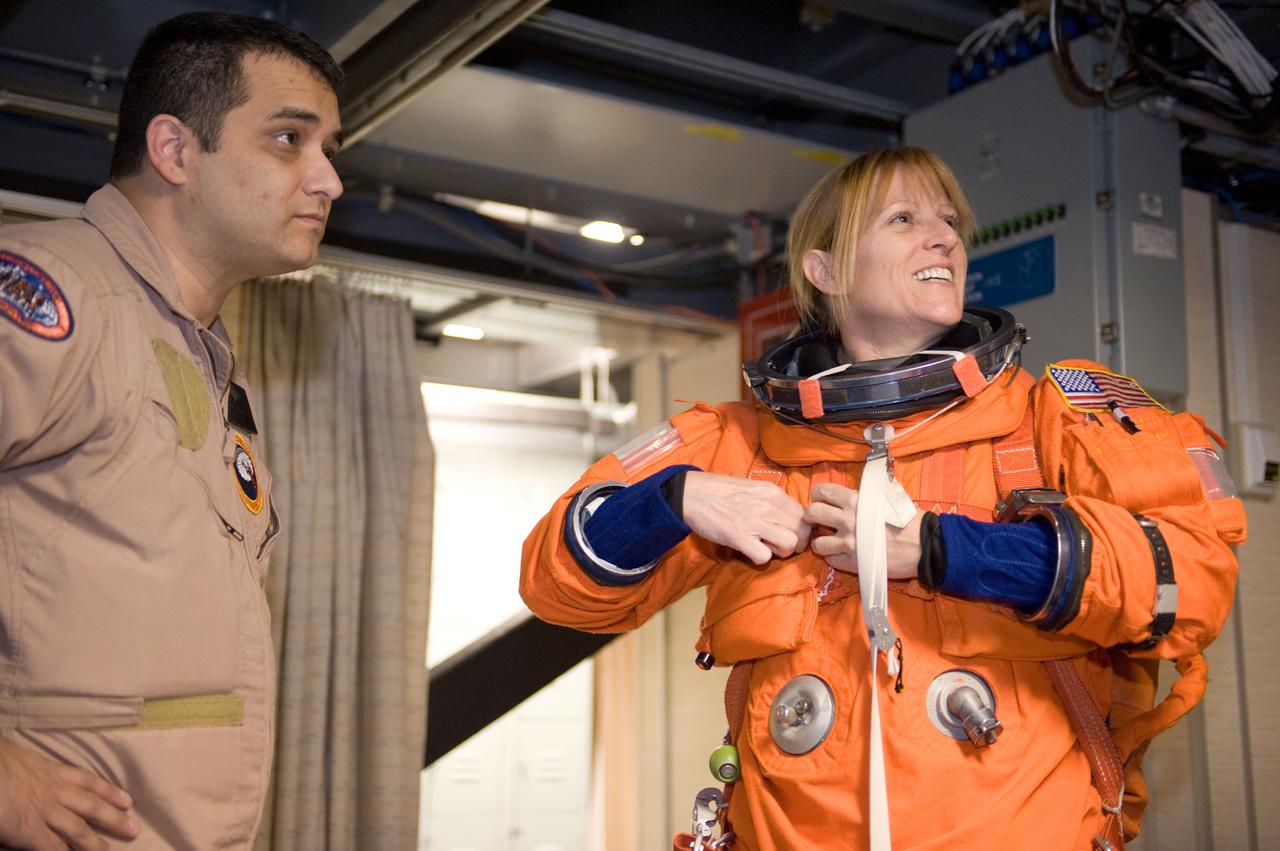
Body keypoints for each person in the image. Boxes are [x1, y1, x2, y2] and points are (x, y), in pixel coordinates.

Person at [521, 147, 1245, 850]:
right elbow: (557, 584)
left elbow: (1196, 576)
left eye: (950, 221)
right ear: (826, 268)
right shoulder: (741, 444)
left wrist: (946, 549)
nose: (945, 238)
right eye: (903, 219)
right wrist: (672, 499)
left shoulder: (1052, 419)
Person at [0, 11, 343, 850]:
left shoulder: (202, 356)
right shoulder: (61, 295)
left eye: (332, 148)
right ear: (175, 150)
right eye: (289, 139)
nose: (329, 179)